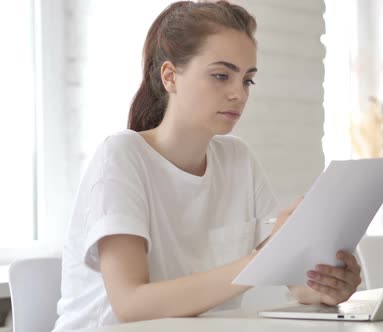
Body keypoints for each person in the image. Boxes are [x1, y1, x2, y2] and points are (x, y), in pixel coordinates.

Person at [52, 1, 362, 331]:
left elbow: (292, 279)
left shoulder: (237, 160)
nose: (238, 94)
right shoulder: (122, 156)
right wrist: (262, 260)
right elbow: (131, 304)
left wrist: (326, 285)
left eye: (247, 80)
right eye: (220, 76)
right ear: (170, 77)